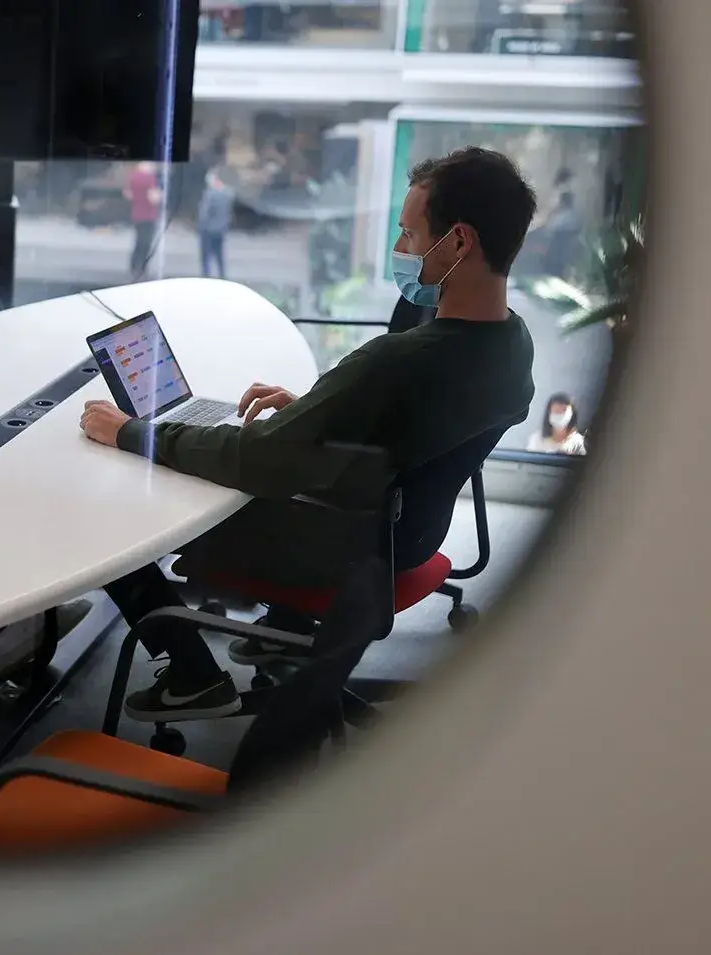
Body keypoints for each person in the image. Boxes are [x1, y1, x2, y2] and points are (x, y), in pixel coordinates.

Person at [78, 146, 538, 722]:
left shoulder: (397, 361)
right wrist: (319, 412)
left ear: (460, 243)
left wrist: (134, 434)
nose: (401, 251)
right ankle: (284, 628)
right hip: (407, 536)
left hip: (343, 546)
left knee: (118, 506)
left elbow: (257, 460)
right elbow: (412, 432)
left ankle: (193, 675)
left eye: (410, 235)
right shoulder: (514, 344)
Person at [125, 161, 163, 279]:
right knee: (146, 243)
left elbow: (128, 194)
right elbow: (154, 198)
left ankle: (134, 265)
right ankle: (142, 267)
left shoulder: (133, 177)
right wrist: (160, 195)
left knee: (138, 241)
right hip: (149, 215)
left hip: (137, 214)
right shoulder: (150, 179)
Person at [197, 169, 235, 279]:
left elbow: (204, 213)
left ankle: (206, 276)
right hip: (221, 229)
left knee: (206, 256)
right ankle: (222, 275)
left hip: (207, 229)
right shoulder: (229, 193)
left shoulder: (209, 194)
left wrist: (200, 226)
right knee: (219, 254)